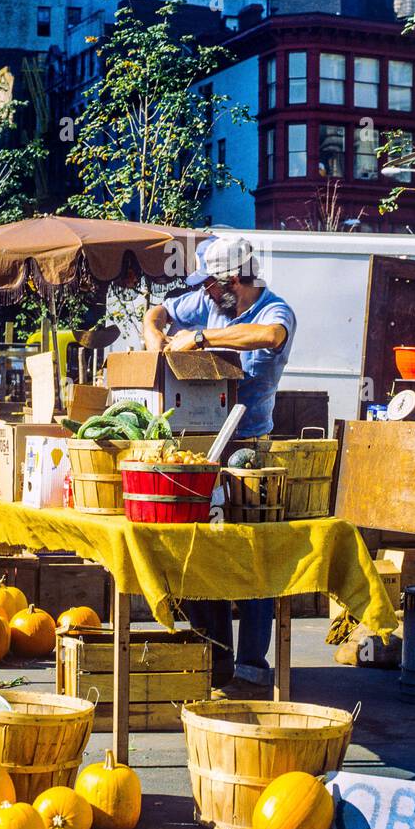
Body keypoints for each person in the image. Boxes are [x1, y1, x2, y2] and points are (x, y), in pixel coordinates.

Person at [143, 235, 297, 698]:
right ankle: (214, 657)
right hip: (199, 448)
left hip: (249, 447)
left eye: (212, 285)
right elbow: (159, 311)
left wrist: (203, 338)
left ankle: (252, 667)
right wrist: (158, 340)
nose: (206, 294)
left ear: (234, 281)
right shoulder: (207, 301)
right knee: (200, 550)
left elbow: (270, 337)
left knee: (252, 557)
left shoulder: (274, 310)